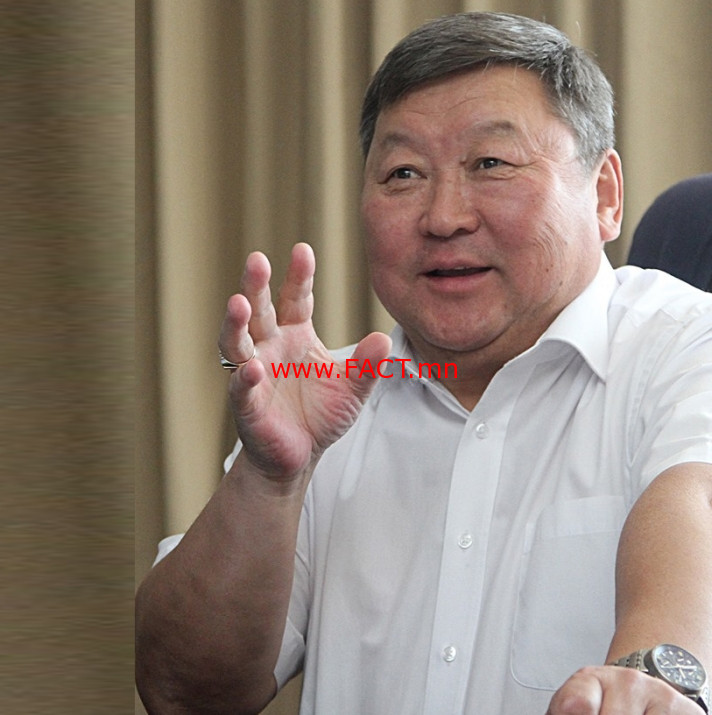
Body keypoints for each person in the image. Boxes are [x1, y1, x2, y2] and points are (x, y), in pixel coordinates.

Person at [136, 12, 712, 714]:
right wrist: (267, 479)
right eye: (403, 173)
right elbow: (182, 694)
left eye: (491, 164)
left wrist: (649, 681)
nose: (443, 217)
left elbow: (694, 501)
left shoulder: (686, 345)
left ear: (604, 195)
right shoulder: (325, 404)